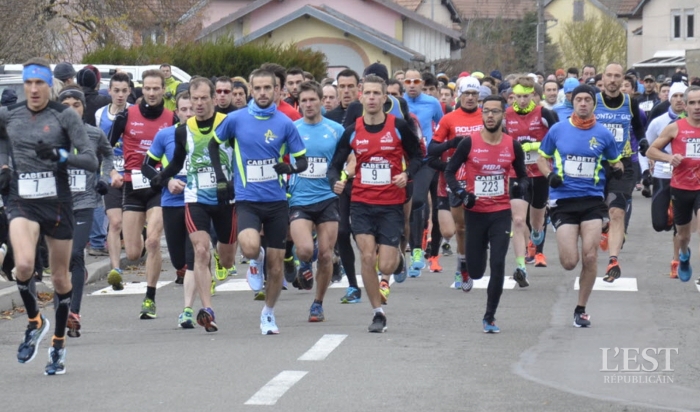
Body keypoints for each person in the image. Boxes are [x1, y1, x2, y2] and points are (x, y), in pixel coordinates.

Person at [1, 58, 98, 374]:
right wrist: (3, 165)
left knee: (60, 278)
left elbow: (90, 160)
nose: (32, 89)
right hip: (22, 201)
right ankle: (34, 321)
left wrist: (60, 155)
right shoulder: (9, 115)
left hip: (57, 204)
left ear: (49, 86)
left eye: (39, 83)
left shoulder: (65, 116)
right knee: (25, 265)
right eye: (28, 83)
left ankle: (58, 342)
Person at [209, 69, 307, 335]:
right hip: (247, 198)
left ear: (277, 90)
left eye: (268, 88)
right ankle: (255, 258)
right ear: (251, 89)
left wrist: (288, 169)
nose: (263, 93)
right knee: (251, 247)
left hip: (276, 201)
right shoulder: (236, 119)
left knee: (276, 267)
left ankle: (269, 313)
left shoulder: (285, 123)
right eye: (259, 88)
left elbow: (302, 160)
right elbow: (213, 145)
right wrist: (222, 177)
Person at [328, 74, 422, 332]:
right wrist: (335, 181)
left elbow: (418, 156)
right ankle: (377, 312)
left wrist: (407, 174)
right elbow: (334, 165)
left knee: (387, 264)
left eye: (376, 94)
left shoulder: (399, 126)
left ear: (384, 98)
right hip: (361, 203)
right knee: (367, 257)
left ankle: (396, 260)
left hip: (391, 204)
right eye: (367, 93)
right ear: (361, 96)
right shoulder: (352, 131)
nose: (371, 98)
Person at [151, 79, 236, 331]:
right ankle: (207, 309)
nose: (198, 104)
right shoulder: (183, 130)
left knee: (229, 259)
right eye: (194, 99)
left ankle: (223, 259)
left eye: (203, 98)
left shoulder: (227, 123)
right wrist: (162, 177)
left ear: (213, 99)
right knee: (200, 251)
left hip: (225, 199)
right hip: (196, 197)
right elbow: (177, 162)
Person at [537, 84, 622, 328]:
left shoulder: (604, 134)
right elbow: (542, 157)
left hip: (592, 201)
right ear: (572, 103)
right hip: (563, 201)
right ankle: (558, 228)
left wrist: (614, 171)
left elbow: (617, 163)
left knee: (591, 255)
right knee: (569, 262)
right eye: (579, 100)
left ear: (594, 104)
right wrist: (548, 176)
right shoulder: (558, 129)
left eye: (587, 100)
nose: (583, 103)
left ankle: (581, 309)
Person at [445, 95, 528, 333]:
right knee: (478, 270)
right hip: (475, 212)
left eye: (495, 111)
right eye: (486, 111)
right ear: (482, 115)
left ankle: (490, 316)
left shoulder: (512, 145)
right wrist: (462, 194)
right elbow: (450, 172)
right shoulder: (468, 143)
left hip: (500, 212)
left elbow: (522, 175)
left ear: (504, 115)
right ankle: (466, 266)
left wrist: (520, 187)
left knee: (499, 263)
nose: (490, 115)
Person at [108, 69, 177, 318]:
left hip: (159, 186)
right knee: (135, 252)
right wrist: (111, 172)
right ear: (142, 89)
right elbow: (106, 147)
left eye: (156, 88)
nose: (151, 92)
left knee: (153, 241)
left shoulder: (172, 118)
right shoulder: (127, 115)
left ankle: (150, 298)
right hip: (132, 185)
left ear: (162, 90)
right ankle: (147, 234)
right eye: (147, 88)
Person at [57, 86, 114, 338]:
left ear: (83, 108)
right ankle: (77, 278)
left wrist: (105, 178)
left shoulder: (93, 134)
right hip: (57, 205)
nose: (71, 109)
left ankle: (73, 312)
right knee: (64, 259)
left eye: (76, 105)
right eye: (66, 105)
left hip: (85, 202)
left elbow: (109, 154)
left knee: (76, 252)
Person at [289, 81, 344, 321]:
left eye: (313, 100)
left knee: (325, 254)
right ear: (298, 103)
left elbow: (348, 158)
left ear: (321, 101)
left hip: (327, 198)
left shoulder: (335, 130)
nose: (308, 104)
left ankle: (318, 303)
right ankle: (302, 264)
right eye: (304, 101)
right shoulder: (291, 129)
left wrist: (343, 178)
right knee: (304, 250)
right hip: (300, 198)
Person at [428, 76, 483, 289]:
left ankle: (475, 256)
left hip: (481, 179)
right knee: (460, 228)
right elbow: (431, 151)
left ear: (479, 97)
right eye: (466, 94)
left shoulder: (486, 117)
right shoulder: (449, 119)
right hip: (455, 180)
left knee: (479, 227)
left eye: (474, 94)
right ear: (459, 95)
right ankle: (463, 265)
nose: (470, 98)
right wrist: (451, 143)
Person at [594, 63, 647, 283]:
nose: (613, 80)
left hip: (622, 165)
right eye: (609, 76)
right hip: (596, 164)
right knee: (597, 213)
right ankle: (604, 228)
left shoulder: (630, 103)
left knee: (617, 212)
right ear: (603, 78)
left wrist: (643, 140)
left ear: (623, 79)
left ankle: (613, 260)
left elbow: (637, 127)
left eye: (617, 76)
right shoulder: (593, 101)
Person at [505, 76, 559, 282]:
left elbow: (557, 137)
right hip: (517, 173)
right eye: (517, 96)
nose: (522, 100)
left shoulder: (544, 113)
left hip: (540, 172)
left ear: (534, 96)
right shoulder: (507, 115)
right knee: (518, 220)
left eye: (526, 96)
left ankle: (537, 234)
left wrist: (534, 146)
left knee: (536, 221)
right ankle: (520, 266)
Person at [646, 85, 700, 283]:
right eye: (692, 103)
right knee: (683, 236)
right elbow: (651, 151)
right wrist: (669, 158)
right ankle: (684, 255)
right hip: (681, 187)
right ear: (685, 105)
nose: (697, 107)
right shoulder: (675, 127)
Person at [644, 82, 687, 279]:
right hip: (662, 174)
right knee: (659, 223)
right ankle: (671, 219)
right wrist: (648, 167)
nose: (679, 100)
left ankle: (676, 260)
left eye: (682, 96)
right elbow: (648, 147)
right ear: (670, 98)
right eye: (675, 96)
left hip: (686, 178)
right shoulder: (659, 122)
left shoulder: (693, 123)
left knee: (681, 224)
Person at [403, 69, 443, 276]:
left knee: (420, 201)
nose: (412, 84)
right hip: (405, 161)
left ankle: (420, 250)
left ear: (421, 83)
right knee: (408, 206)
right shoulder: (397, 104)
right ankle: (413, 250)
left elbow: (442, 126)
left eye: (415, 81)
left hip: (427, 159)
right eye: (408, 81)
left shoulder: (432, 103)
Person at [95, 72, 131, 284]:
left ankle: (137, 249)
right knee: (115, 223)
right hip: (111, 174)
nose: (120, 95)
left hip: (133, 176)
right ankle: (115, 269)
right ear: (109, 91)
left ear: (129, 92)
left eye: (124, 91)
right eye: (116, 91)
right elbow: (99, 147)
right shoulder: (100, 115)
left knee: (131, 229)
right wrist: (109, 172)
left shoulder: (134, 113)